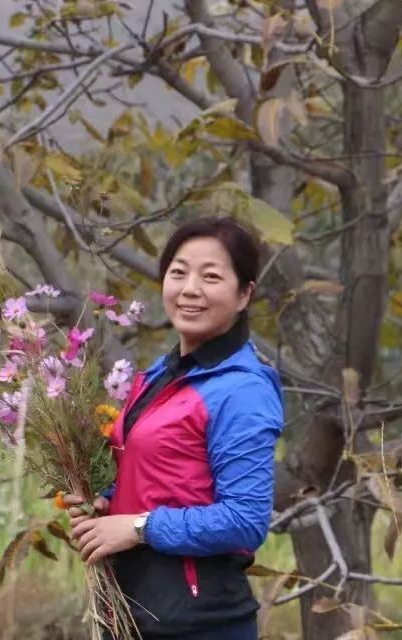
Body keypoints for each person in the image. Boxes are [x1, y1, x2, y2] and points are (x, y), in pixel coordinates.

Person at [66, 217, 285, 639]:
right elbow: (162, 481)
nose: (190, 289)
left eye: (211, 277)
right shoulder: (161, 375)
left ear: (244, 294)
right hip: (132, 612)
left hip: (198, 622)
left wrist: (137, 528)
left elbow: (245, 519)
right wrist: (104, 502)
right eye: (179, 272)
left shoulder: (242, 390)